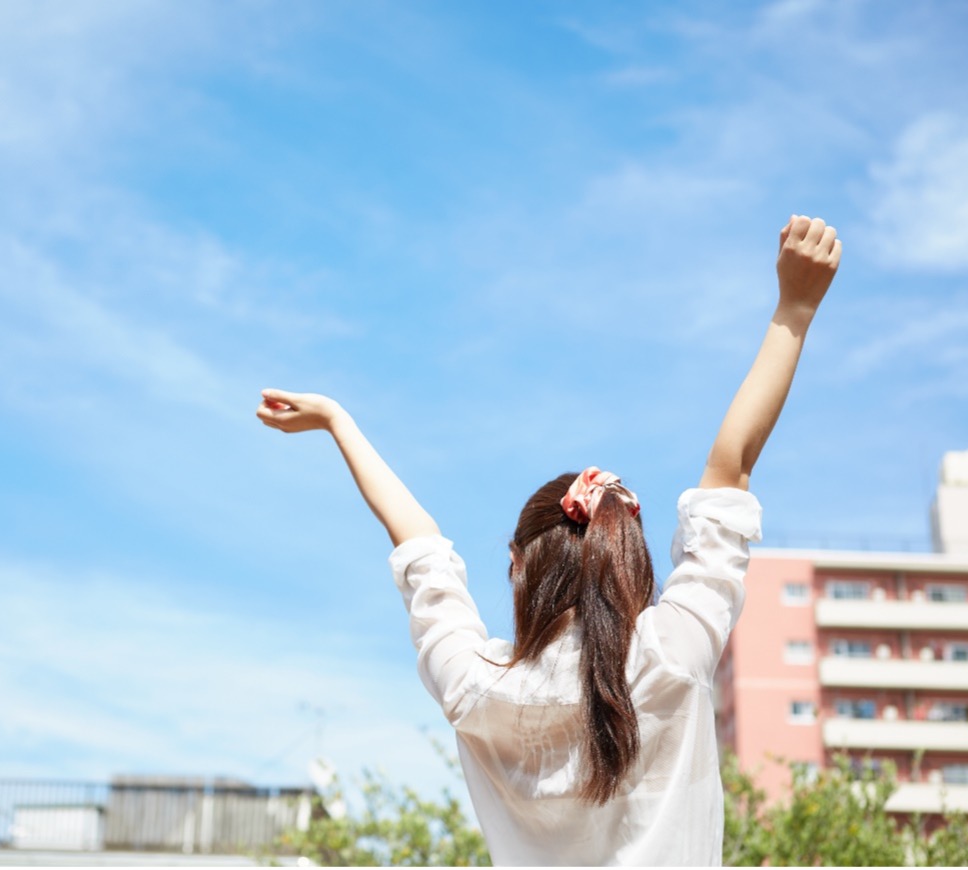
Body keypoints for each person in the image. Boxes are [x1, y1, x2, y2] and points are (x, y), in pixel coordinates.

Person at [255, 215, 841, 866]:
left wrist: (340, 422)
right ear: (627, 558)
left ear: (517, 565)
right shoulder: (672, 651)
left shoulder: (475, 686)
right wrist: (795, 306)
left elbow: (420, 546)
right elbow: (731, 468)